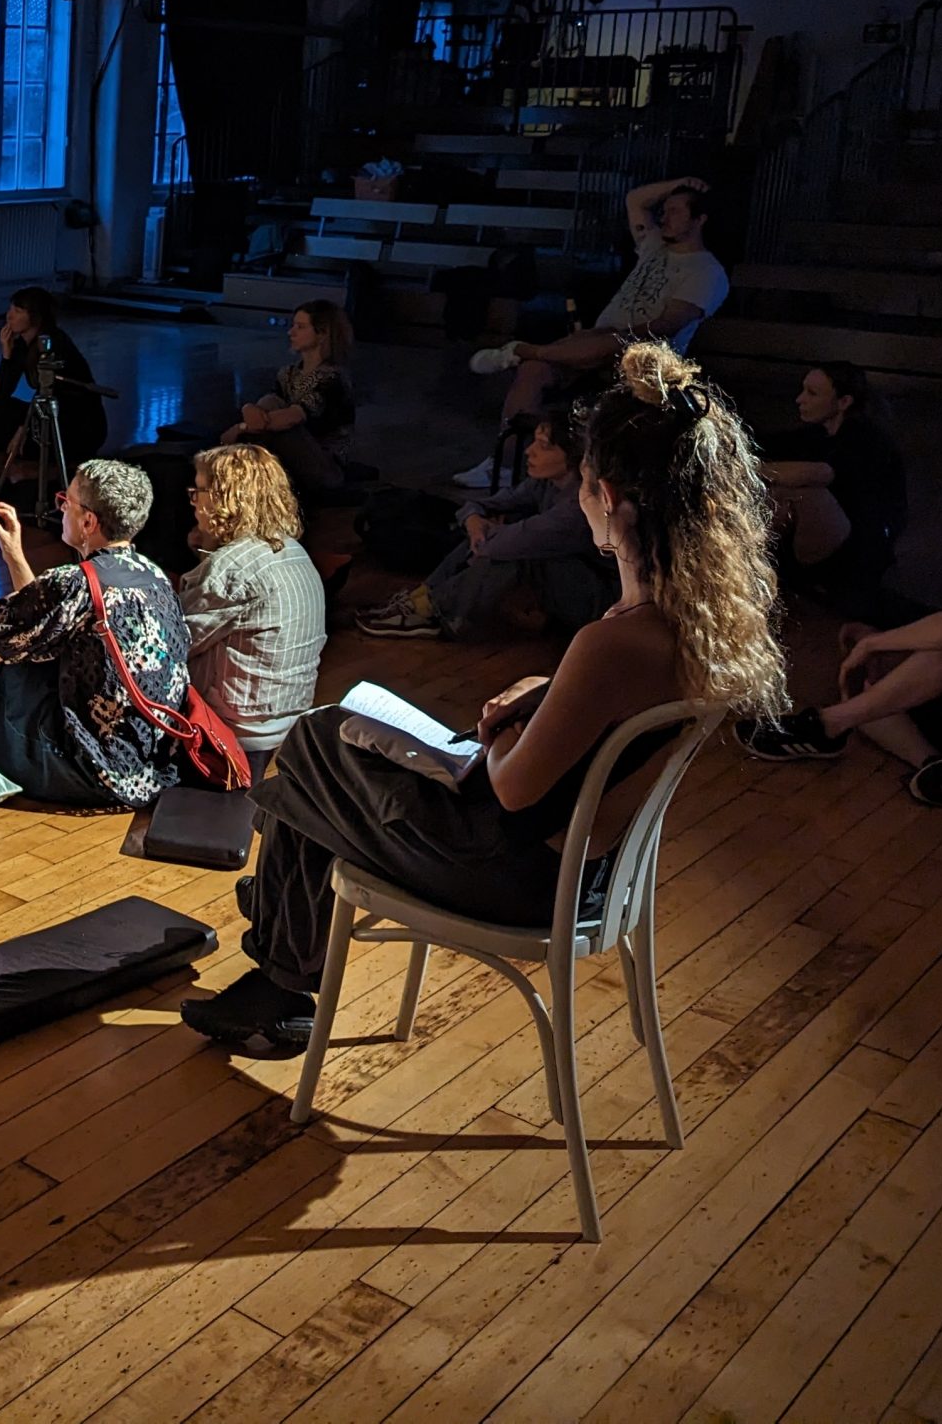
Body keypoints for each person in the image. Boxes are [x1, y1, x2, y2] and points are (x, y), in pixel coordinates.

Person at [182, 343, 786, 1050]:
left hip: (520, 876)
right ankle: (277, 981)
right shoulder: (696, 623)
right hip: (592, 874)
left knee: (315, 746)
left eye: (583, 481)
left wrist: (504, 723)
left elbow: (515, 790)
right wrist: (550, 692)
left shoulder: (613, 643)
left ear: (608, 496)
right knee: (323, 764)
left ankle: (280, 974)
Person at [737, 438, 942, 810]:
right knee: (874, 678)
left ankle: (827, 726)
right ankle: (933, 765)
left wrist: (880, 643)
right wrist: (884, 644)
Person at [0, 458, 201, 810]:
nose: (60, 507)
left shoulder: (74, 582)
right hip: (147, 761)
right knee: (15, 637)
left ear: (88, 521)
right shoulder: (154, 574)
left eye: (67, 501)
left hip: (91, 770)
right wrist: (14, 555)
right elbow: (43, 616)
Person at [455, 176, 730, 488]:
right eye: (664, 209)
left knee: (611, 342)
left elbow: (665, 327)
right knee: (534, 371)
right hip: (594, 343)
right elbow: (636, 199)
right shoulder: (654, 245)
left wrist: (614, 337)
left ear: (700, 220)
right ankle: (505, 464)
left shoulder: (707, 272)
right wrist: (682, 183)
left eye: (676, 211)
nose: (663, 216)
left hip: (645, 359)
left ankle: (520, 349)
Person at [359, 409, 614, 641]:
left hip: (599, 601)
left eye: (544, 446)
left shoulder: (577, 505)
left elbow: (504, 544)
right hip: (570, 581)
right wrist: (474, 521)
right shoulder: (546, 483)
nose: (529, 451)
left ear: (573, 457)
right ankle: (424, 598)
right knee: (500, 533)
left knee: (519, 552)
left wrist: (486, 533)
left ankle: (437, 613)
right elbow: (480, 505)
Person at [175, 445, 327, 760]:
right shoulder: (292, 549)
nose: (193, 503)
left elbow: (176, 640)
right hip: (285, 710)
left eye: (198, 492)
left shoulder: (232, 568)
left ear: (222, 499)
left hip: (239, 724)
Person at [760, 362, 908, 609]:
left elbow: (819, 474)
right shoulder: (818, 434)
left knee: (800, 493)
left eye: (812, 393)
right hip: (837, 541)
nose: (800, 399)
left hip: (861, 552)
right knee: (776, 490)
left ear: (844, 402)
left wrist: (750, 470)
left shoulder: (865, 438)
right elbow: (765, 442)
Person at [219, 301, 356, 501]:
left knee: (275, 418)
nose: (291, 332)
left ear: (323, 333)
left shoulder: (332, 379)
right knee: (269, 403)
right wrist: (249, 408)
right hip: (292, 457)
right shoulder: (289, 373)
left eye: (300, 327)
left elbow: (293, 417)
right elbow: (266, 407)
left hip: (324, 469)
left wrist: (241, 427)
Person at [0, 286, 109, 470]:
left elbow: (53, 394)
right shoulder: (22, 344)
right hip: (43, 412)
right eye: (10, 309)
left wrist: (24, 427)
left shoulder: (54, 343)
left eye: (17, 311)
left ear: (35, 316)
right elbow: (3, 391)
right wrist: (7, 354)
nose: (9, 316)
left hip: (73, 419)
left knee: (3, 437)